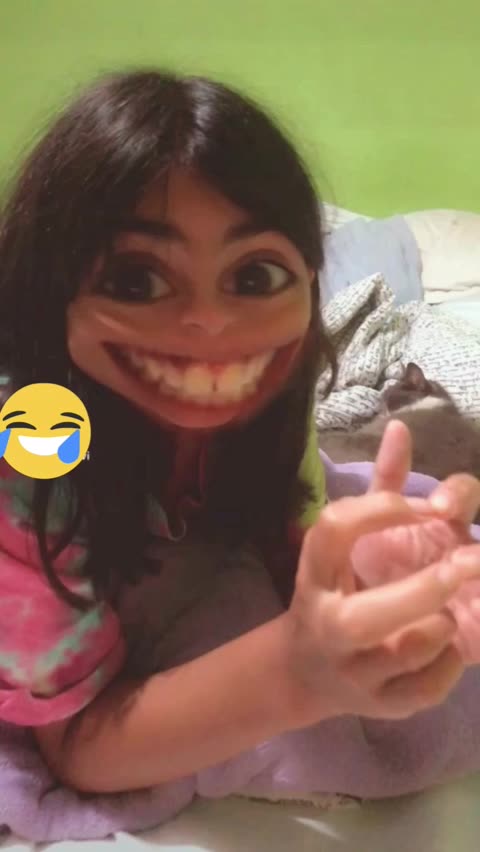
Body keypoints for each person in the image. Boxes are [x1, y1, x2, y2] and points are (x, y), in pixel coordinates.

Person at [0, 69, 480, 796]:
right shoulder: (29, 454)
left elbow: (292, 525)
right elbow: (76, 743)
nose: (211, 324)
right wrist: (296, 672)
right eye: (136, 281)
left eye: (253, 277)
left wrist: (363, 579)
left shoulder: (275, 374)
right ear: (49, 292)